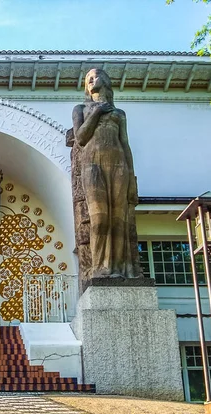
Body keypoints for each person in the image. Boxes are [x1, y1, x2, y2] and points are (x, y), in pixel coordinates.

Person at [72, 68, 138, 278]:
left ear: (107, 81)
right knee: (99, 218)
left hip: (119, 164)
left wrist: (132, 179)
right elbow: (81, 138)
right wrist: (98, 111)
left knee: (119, 218)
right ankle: (100, 267)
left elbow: (125, 145)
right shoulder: (81, 109)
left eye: (96, 76)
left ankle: (118, 268)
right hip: (93, 164)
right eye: (88, 79)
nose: (92, 80)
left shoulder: (119, 114)